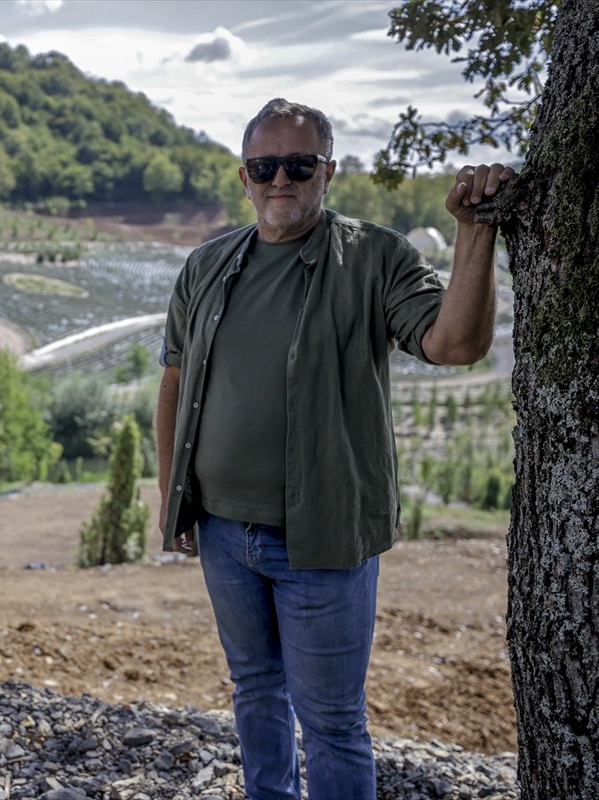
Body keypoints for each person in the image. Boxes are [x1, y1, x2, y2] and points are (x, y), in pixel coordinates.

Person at [155, 98, 513, 800]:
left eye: (298, 164)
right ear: (244, 176)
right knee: (254, 690)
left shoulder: (373, 257)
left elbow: (455, 343)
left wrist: (473, 234)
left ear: (328, 171)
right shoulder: (206, 265)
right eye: (265, 166)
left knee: (331, 722)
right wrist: (173, 503)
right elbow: (172, 381)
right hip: (225, 532)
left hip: (322, 540)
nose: (280, 179)